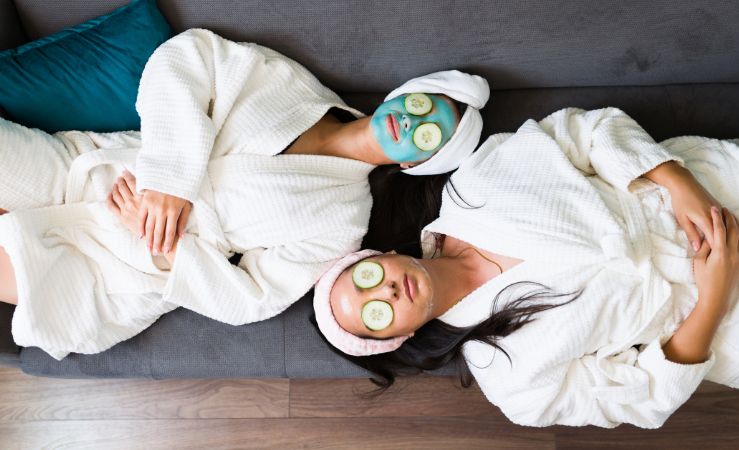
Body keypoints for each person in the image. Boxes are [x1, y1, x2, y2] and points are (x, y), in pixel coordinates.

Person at [0, 28, 490, 360]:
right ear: (406, 91)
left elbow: (250, 300)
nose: (412, 122)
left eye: (428, 136)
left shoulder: (342, 222)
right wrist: (170, 178)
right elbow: (184, 56)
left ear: (419, 162)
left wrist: (164, 247)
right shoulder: (291, 85)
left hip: (121, 264)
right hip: (93, 173)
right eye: (424, 106)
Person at [313, 107, 739, 428]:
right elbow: (646, 398)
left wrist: (679, 183)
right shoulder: (510, 381)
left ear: (383, 256)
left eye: (366, 279)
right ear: (398, 338)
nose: (385, 293)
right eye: (377, 315)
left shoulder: (475, 184)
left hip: (720, 191)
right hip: (730, 318)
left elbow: (588, 132)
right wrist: (716, 296)